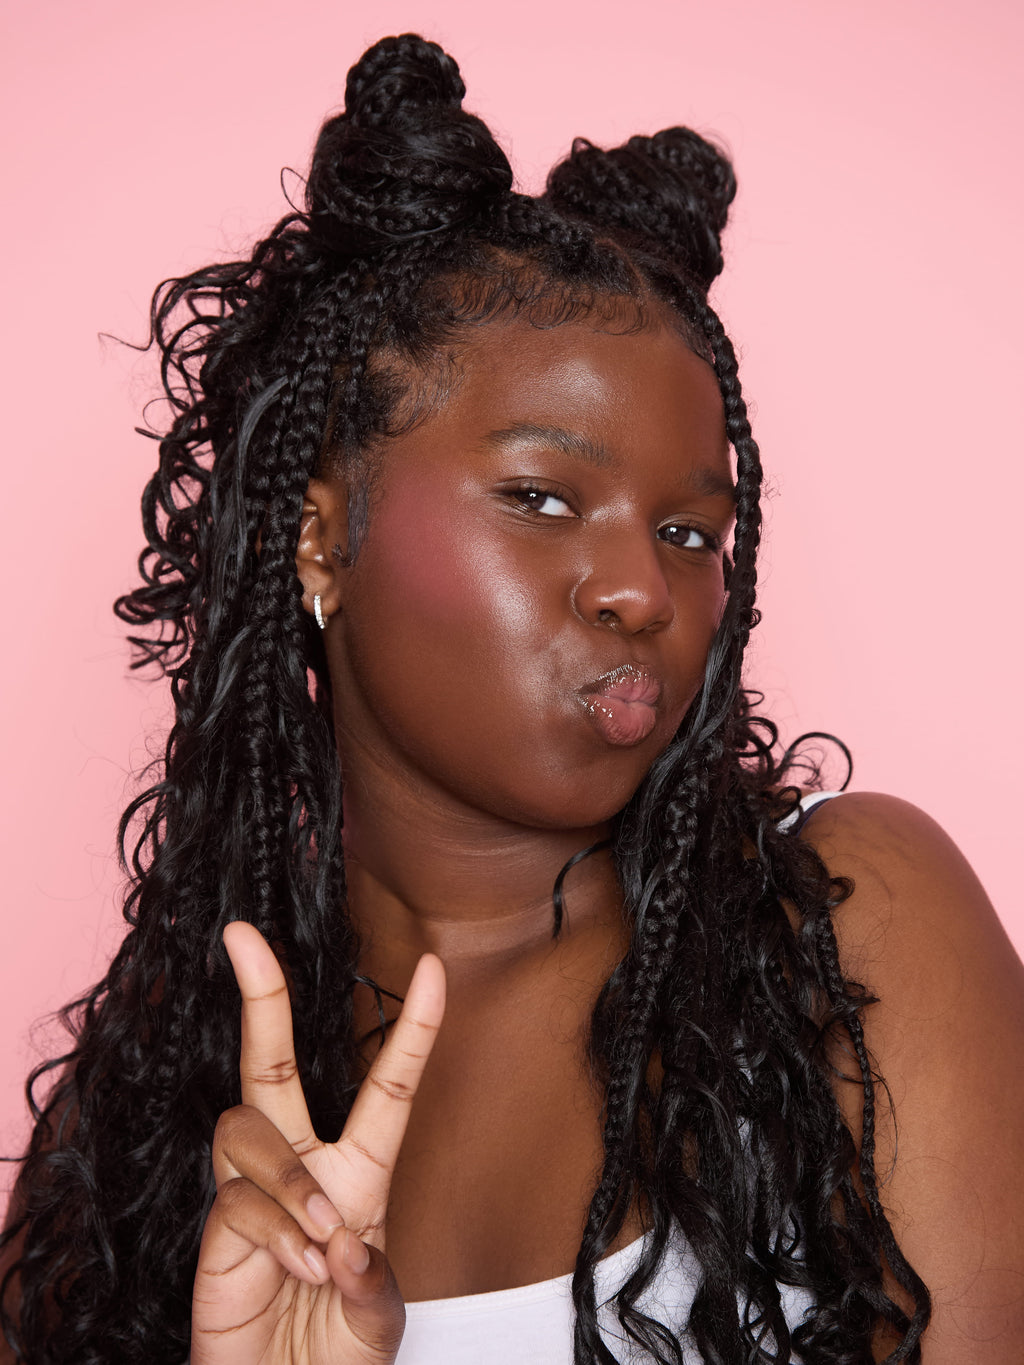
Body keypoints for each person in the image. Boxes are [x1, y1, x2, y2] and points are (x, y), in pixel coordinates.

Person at [2, 30, 1022, 1365]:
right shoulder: (144, 1118)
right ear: (320, 540)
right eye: (543, 497)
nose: (641, 592)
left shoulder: (843, 936)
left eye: (690, 534)